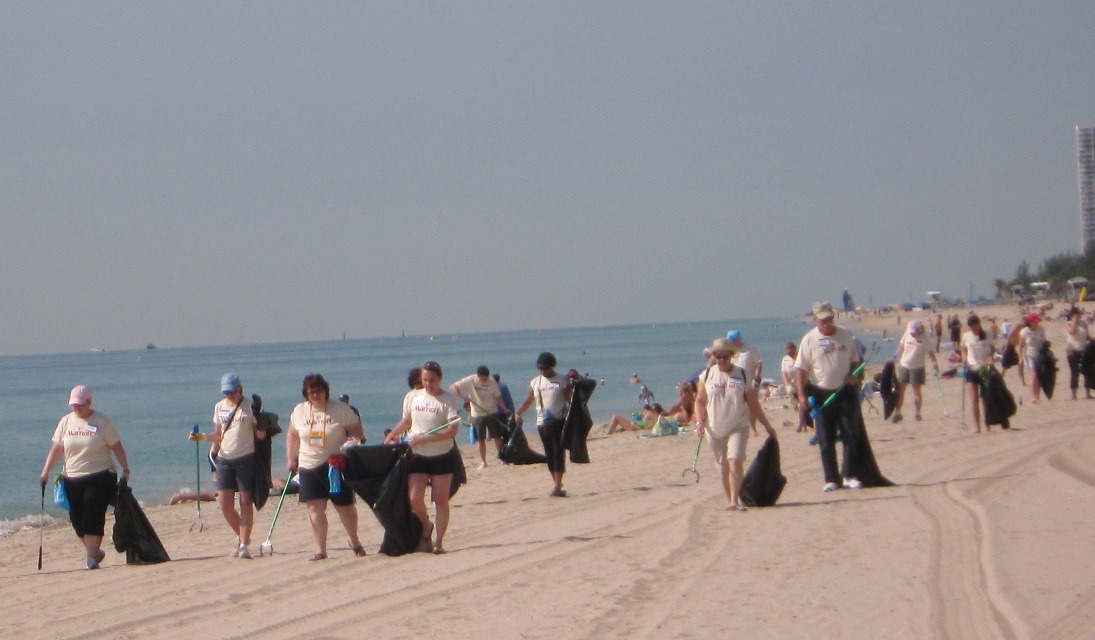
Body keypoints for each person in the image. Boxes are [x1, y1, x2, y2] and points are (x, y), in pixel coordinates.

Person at [39, 385, 131, 569]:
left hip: (100, 476)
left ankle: (90, 558)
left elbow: (116, 446)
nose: (77, 408)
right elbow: (57, 448)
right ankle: (95, 552)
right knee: (77, 520)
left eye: (81, 404)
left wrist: (125, 468)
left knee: (92, 514)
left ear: (89, 402)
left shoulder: (102, 421)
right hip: (71, 477)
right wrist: (46, 470)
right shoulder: (66, 422)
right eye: (74, 404)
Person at [286, 374, 367, 561]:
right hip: (308, 463)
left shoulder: (340, 409)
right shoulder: (299, 411)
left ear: (326, 391)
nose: (316, 395)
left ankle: (354, 540)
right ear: (306, 393)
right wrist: (291, 457)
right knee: (315, 507)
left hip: (335, 463)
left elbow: (357, 430)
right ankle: (320, 550)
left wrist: (352, 440)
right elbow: (292, 434)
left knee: (345, 507)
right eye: (311, 392)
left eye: (319, 391)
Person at [385, 361, 462, 554]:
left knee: (440, 500)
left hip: (442, 455)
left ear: (440, 379)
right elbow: (408, 420)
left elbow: (451, 431)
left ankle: (439, 542)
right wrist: (393, 434)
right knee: (414, 499)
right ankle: (426, 525)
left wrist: (424, 438)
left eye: (432, 380)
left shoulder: (448, 400)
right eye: (425, 380)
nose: (428, 384)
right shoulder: (415, 397)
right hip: (418, 455)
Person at [693, 338, 778, 511]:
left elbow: (753, 402)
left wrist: (767, 425)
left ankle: (734, 501)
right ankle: (730, 499)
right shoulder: (707, 375)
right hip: (714, 427)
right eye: (718, 357)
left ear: (731, 356)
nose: (722, 360)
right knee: (723, 467)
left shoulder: (742, 374)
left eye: (725, 356)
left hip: (738, 425)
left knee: (735, 461)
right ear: (714, 357)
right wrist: (699, 421)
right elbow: (700, 401)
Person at [188, 373, 266, 559]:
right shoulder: (219, 406)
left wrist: (262, 424)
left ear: (240, 388)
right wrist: (202, 437)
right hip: (224, 459)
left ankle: (244, 546)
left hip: (245, 458)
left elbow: (261, 436)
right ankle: (242, 537)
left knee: (246, 501)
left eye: (232, 391)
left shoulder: (250, 407)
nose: (229, 395)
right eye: (226, 392)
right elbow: (219, 434)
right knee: (225, 505)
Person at [794, 301, 864, 492]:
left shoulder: (845, 335)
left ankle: (849, 475)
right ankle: (831, 478)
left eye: (829, 318)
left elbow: (855, 362)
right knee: (825, 437)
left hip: (845, 391)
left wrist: (854, 377)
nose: (827, 323)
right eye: (823, 320)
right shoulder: (809, 339)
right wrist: (801, 396)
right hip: (821, 393)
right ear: (815, 319)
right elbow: (800, 369)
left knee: (850, 432)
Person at [514, 352, 575, 497]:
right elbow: (528, 400)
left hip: (559, 421)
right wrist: (517, 413)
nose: (543, 371)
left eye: (546, 368)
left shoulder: (562, 379)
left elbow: (569, 399)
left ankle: (557, 485)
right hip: (542, 422)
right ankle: (557, 483)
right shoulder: (536, 382)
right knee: (549, 453)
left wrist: (571, 389)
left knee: (558, 452)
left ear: (552, 366)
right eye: (541, 368)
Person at [450, 365, 508, 470]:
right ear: (479, 376)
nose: (486, 380)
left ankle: (501, 458)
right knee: (481, 439)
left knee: (497, 436)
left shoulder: (491, 381)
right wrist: (463, 397)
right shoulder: (471, 380)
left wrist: (504, 408)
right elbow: (453, 387)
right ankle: (483, 462)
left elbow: (498, 397)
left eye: (487, 377)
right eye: (483, 378)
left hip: (492, 412)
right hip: (478, 414)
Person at [892, 321, 940, 423]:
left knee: (916, 391)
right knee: (900, 389)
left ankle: (918, 413)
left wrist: (935, 363)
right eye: (911, 332)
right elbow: (902, 347)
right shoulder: (907, 333)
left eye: (914, 332)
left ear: (919, 330)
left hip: (917, 367)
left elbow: (930, 352)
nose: (912, 334)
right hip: (904, 365)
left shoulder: (924, 338)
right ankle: (898, 412)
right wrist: (895, 357)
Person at [960, 314, 996, 433]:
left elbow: (992, 350)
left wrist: (990, 359)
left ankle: (987, 425)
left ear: (979, 324)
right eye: (971, 327)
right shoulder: (966, 336)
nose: (974, 329)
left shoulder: (988, 335)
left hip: (984, 369)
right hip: (971, 369)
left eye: (975, 326)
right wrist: (964, 360)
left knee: (985, 399)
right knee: (974, 399)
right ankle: (977, 427)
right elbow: (963, 350)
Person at [727, 329, 763, 435]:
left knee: (752, 406)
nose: (732, 342)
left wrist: (757, 377)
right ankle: (738, 427)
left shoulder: (749, 349)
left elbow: (758, 363)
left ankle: (752, 427)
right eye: (730, 340)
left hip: (749, 382)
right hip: (734, 383)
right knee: (736, 406)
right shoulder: (729, 352)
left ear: (738, 339)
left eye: (734, 340)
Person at [780, 341, 809, 432]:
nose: (788, 350)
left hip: (802, 384)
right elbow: (784, 373)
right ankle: (803, 424)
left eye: (790, 348)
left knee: (801, 405)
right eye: (787, 349)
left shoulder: (800, 357)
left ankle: (801, 425)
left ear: (794, 348)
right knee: (795, 406)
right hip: (791, 386)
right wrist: (787, 384)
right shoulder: (785, 359)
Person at [1018, 312, 1047, 403]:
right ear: (1030, 322)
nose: (1037, 323)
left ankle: (1037, 396)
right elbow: (1021, 346)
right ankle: (1033, 396)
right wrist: (1021, 358)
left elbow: (1044, 341)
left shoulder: (1041, 329)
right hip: (1030, 355)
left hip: (1041, 355)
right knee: (1034, 375)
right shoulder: (1024, 332)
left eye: (1037, 321)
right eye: (1035, 321)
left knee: (1039, 376)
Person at [1065, 307, 1092, 400]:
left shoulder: (1084, 323)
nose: (1080, 315)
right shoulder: (1069, 323)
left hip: (1084, 349)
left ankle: (1087, 393)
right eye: (1077, 314)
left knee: (1088, 371)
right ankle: (1074, 395)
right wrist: (1075, 321)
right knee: (1075, 372)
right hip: (1073, 351)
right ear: (1072, 315)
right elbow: (1072, 332)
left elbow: (1087, 336)